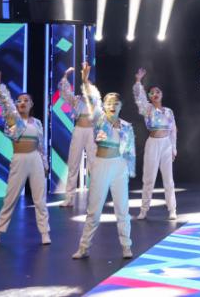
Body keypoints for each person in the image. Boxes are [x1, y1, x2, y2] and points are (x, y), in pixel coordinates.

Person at [72, 61, 135, 259]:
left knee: (122, 209)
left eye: (116, 103)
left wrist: (127, 171)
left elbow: (130, 152)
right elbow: (92, 99)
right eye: (109, 102)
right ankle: (84, 247)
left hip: (119, 167)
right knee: (94, 209)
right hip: (100, 165)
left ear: (121, 106)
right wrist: (85, 81)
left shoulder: (127, 126)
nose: (112, 105)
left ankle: (126, 246)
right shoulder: (99, 119)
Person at [0, 70, 50, 247]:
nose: (22, 103)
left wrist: (45, 164)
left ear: (31, 104)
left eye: (26, 100)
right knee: (10, 199)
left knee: (39, 199)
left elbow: (41, 146)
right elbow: (6, 103)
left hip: (35, 159)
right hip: (19, 159)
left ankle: (44, 232)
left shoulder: (37, 123)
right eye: (19, 100)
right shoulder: (14, 119)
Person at [133, 68, 178, 221]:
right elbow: (139, 97)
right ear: (149, 97)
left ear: (162, 94)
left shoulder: (169, 111)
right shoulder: (147, 109)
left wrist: (173, 148)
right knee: (149, 178)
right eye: (152, 93)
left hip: (166, 144)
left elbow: (173, 130)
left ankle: (172, 209)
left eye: (157, 92)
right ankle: (144, 210)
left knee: (168, 179)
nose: (155, 94)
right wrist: (138, 81)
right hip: (152, 144)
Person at [58, 66, 97, 207]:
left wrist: (85, 79)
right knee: (73, 164)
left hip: (91, 132)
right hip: (79, 130)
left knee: (94, 165)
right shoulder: (77, 100)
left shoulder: (95, 100)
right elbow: (65, 93)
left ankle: (95, 198)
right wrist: (65, 76)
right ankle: (69, 198)